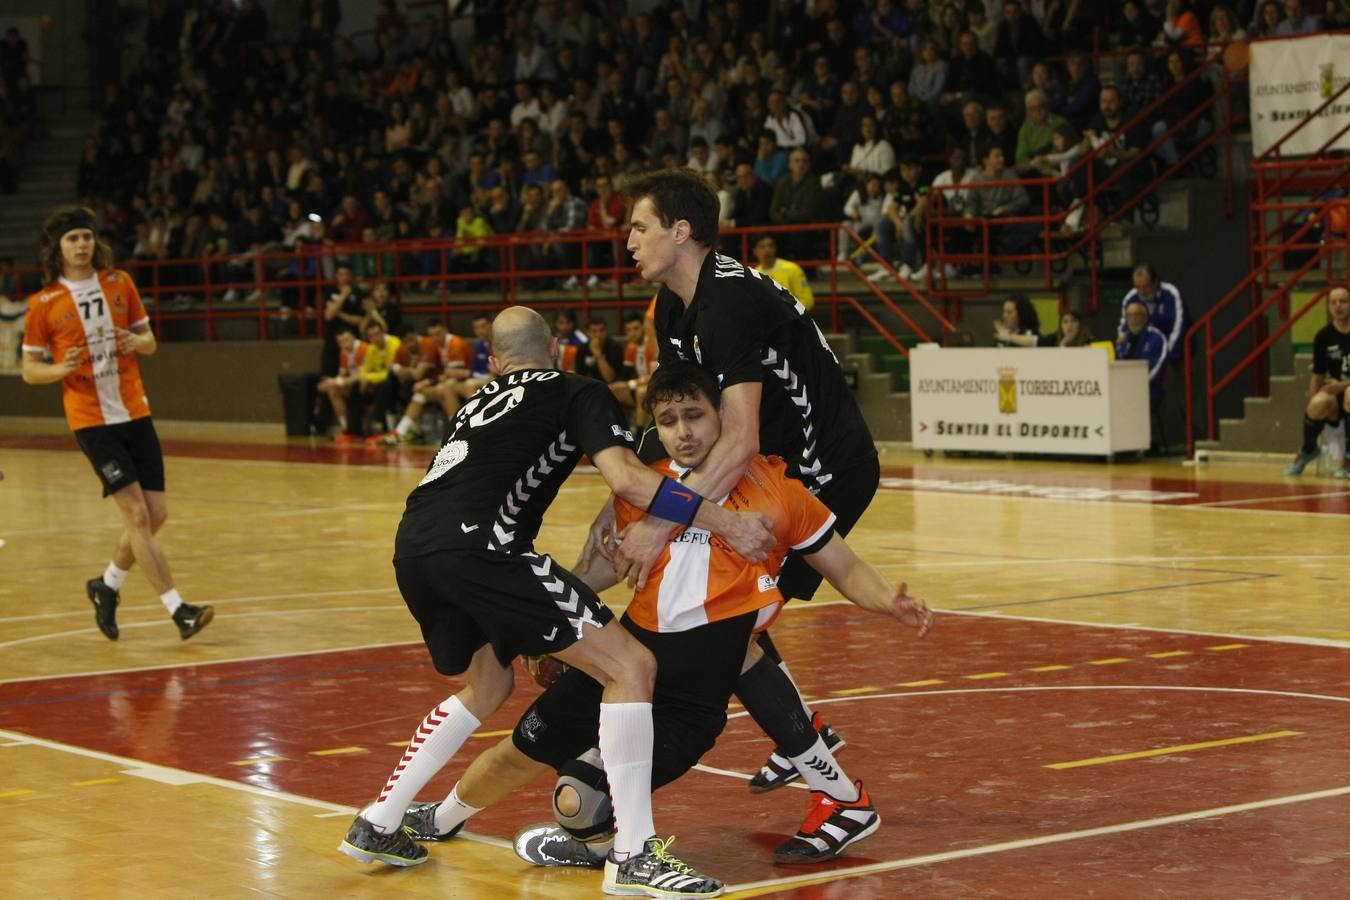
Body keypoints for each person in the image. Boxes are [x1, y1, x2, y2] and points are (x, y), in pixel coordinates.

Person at [393, 363, 933, 869]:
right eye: (668, 421)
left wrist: (890, 601)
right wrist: (545, 632)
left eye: (695, 415)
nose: (684, 432)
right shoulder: (648, 490)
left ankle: (610, 848)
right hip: (622, 661)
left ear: (723, 414)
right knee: (519, 749)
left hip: (686, 702)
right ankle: (442, 819)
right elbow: (594, 571)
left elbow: (845, 566)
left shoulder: (778, 491)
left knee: (576, 797)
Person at [337, 307, 774, 900]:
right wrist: (726, 520)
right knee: (632, 666)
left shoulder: (477, 401)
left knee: (485, 689)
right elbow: (625, 478)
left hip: (414, 549)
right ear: (556, 350)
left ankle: (381, 820)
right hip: (484, 548)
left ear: (495, 361)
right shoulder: (577, 390)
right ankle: (635, 857)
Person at [602, 167, 882, 795]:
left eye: (639, 227)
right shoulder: (672, 306)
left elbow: (739, 439)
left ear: (681, 231)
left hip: (824, 466)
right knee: (727, 622)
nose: (628, 241)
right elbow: (674, 425)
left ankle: (833, 786)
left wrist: (658, 522)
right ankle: (805, 740)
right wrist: (623, 492)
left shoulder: (726, 301)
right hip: (770, 465)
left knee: (724, 626)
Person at [20, 206, 214, 642]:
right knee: (136, 514)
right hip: (92, 420)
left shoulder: (119, 283)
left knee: (155, 514)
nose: (82, 245)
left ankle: (105, 585)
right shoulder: (44, 303)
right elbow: (30, 370)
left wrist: (135, 340)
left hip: (134, 410)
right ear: (59, 249)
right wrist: (60, 369)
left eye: (87, 237)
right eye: (73, 239)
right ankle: (178, 609)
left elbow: (150, 342)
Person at [1286, 286, 1350, 477]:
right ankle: (1308, 449)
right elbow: (1318, 375)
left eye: (1343, 301)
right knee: (1318, 403)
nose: (1338, 306)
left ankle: (1348, 458)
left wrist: (1343, 385)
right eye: (1333, 302)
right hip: (1336, 397)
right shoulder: (1323, 337)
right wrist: (1312, 408)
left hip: (1347, 392)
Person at [1118, 263, 1188, 366]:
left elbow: (1178, 327)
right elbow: (1123, 331)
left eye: (1146, 287)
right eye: (1138, 287)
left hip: (1173, 357)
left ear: (1155, 282)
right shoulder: (1131, 297)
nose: (1142, 292)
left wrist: (1168, 357)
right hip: (1140, 358)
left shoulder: (1170, 294)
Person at [1116, 298, 1168, 411]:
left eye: (1137, 315)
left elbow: (1157, 368)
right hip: (1124, 393)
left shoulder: (1156, 337)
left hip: (1149, 394)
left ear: (1145, 317)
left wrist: (1135, 385)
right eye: (1129, 315)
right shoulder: (1123, 340)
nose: (1133, 319)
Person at [751, 233, 815, 310]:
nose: (767, 250)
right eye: (762, 246)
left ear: (775, 248)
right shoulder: (753, 274)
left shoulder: (792, 269)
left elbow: (807, 300)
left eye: (770, 246)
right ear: (755, 251)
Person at [997, 305, 1095, 347]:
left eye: (1073, 321)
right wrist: (1009, 337)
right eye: (1065, 322)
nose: (1069, 325)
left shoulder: (1090, 342)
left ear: (1080, 324)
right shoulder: (1054, 339)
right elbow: (1032, 340)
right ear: (1060, 325)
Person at [574, 317, 631, 385]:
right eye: (594, 331)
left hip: (610, 386)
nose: (598, 335)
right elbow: (579, 376)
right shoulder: (582, 349)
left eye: (601, 330)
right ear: (588, 333)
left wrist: (598, 355)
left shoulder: (615, 347)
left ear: (606, 331)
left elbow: (610, 378)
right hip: (589, 386)